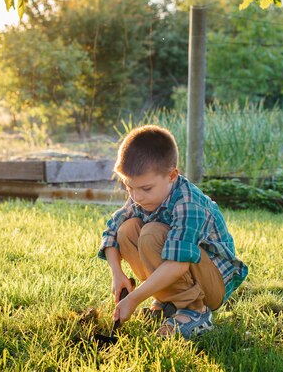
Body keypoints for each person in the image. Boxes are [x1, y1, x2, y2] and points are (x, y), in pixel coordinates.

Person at [98, 125, 248, 339]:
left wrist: (133, 299)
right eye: (129, 187)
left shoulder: (189, 204)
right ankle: (168, 304)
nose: (136, 196)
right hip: (183, 273)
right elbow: (111, 232)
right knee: (127, 230)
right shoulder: (142, 196)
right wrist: (117, 274)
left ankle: (195, 312)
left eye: (145, 188)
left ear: (171, 175)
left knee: (151, 234)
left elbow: (177, 264)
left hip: (212, 284)